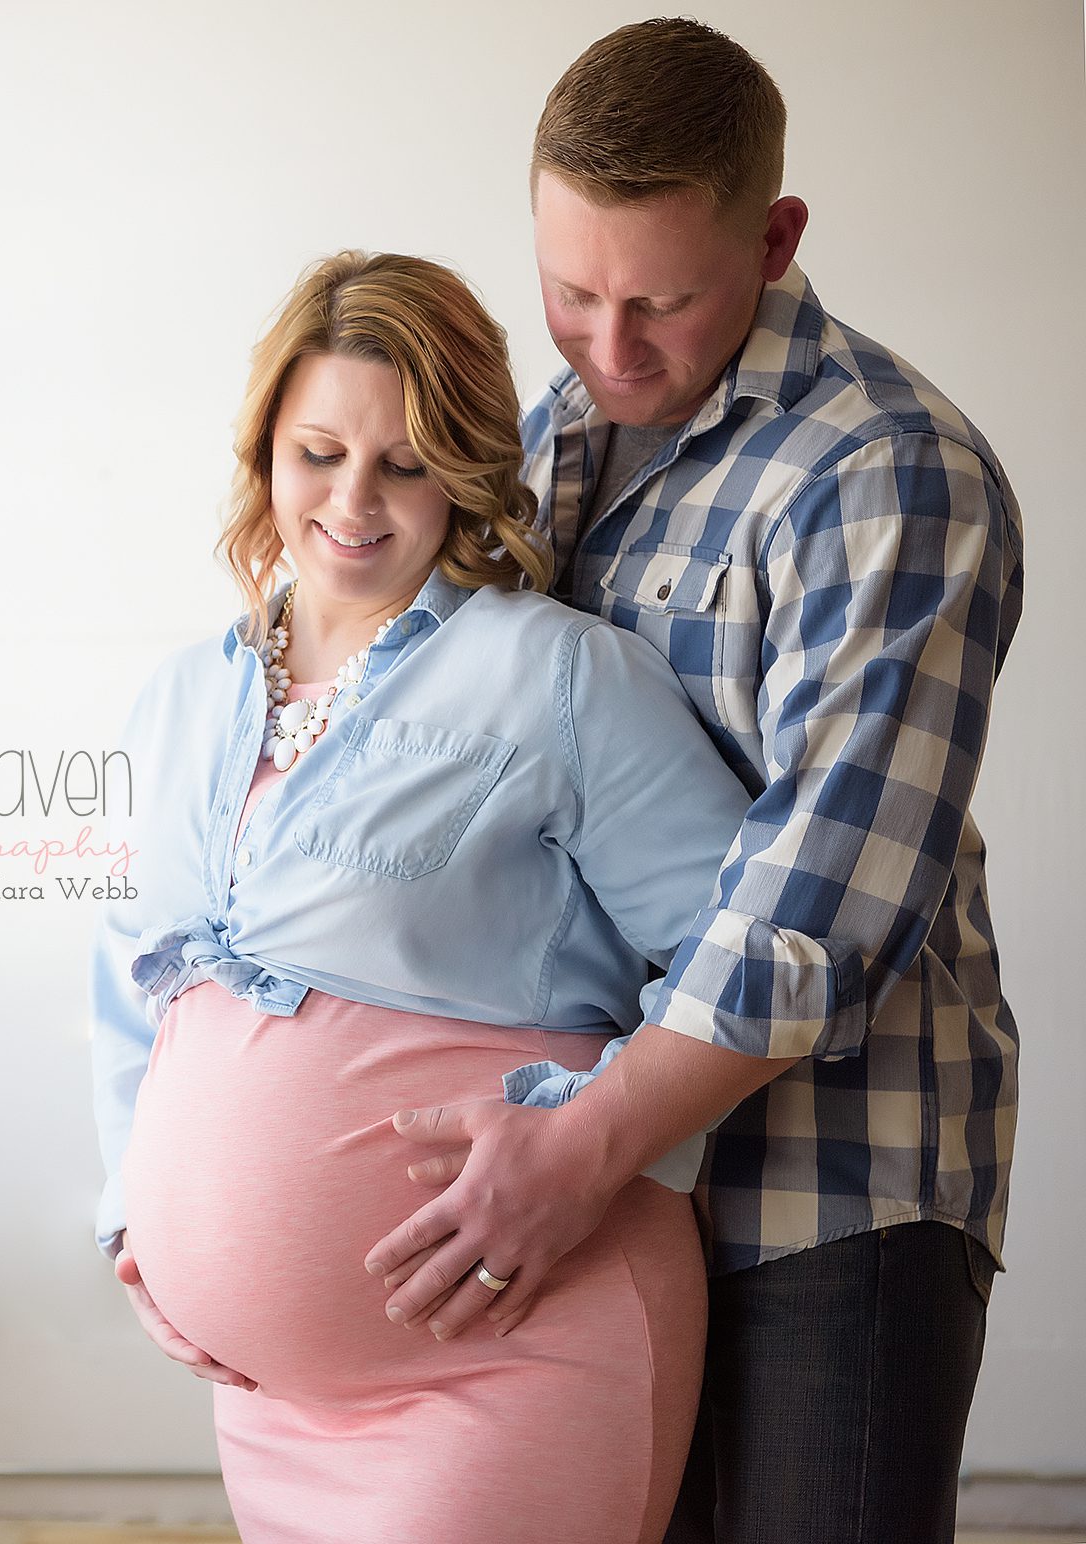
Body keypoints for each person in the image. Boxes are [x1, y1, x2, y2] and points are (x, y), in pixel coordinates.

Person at [365, 21, 1025, 1544]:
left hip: (831, 1184)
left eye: (660, 299)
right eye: (572, 292)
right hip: (595, 1172)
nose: (610, 348)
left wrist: (581, 1146)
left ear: (777, 237)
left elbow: (822, 894)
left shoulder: (887, 470)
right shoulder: (550, 440)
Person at [89, 248, 756, 1543]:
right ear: (263, 448)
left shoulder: (560, 678)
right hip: (272, 1403)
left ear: (463, 468)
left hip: (506, 1350)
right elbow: (131, 992)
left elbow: (748, 954)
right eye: (317, 451)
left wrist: (588, 1140)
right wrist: (136, 1220)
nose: (353, 500)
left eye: (404, 462)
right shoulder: (180, 698)